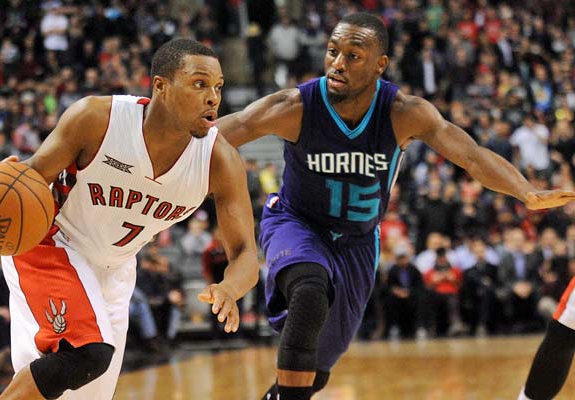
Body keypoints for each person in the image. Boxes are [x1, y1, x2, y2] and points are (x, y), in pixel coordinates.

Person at [217, 12, 575, 400]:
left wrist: (525, 192)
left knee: (316, 373)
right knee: (309, 290)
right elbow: (220, 136)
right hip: (297, 223)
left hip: (357, 242)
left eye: (353, 56)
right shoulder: (295, 106)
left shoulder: (404, 113)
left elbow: (470, 155)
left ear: (380, 65)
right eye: (333, 52)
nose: (337, 63)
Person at [0, 38, 259, 400]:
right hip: (51, 243)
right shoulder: (97, 119)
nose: (213, 97)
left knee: (88, 391)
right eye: (199, 84)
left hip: (115, 268)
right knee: (87, 354)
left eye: (218, 87)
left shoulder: (219, 160)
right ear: (161, 86)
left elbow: (245, 254)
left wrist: (229, 288)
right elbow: (30, 179)